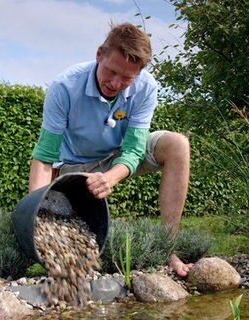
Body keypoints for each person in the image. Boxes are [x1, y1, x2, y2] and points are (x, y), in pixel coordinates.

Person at [28, 22, 192, 277]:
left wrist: (110, 178)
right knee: (53, 215)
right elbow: (45, 157)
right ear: (98, 55)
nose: (116, 83)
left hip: (120, 155)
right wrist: (34, 215)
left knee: (177, 145)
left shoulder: (146, 87)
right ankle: (55, 257)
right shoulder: (64, 88)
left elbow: (134, 148)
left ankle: (167, 249)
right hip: (77, 164)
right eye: (112, 71)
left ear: (138, 73)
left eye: (127, 78)